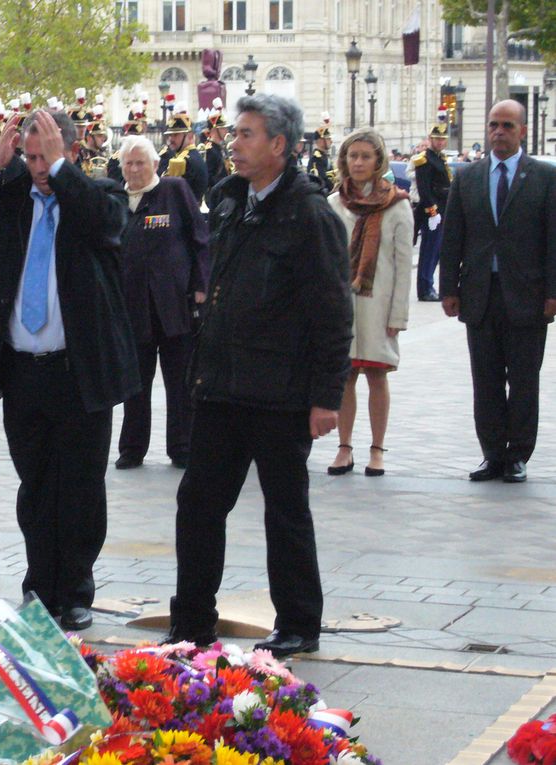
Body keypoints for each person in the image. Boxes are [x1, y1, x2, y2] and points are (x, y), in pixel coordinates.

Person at [166, 94, 352, 655]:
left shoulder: (309, 212)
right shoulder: (226, 199)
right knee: (198, 504)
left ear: (279, 145)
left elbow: (332, 311)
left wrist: (326, 398)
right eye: (234, 133)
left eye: (247, 134)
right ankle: (192, 620)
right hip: (222, 385)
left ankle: (298, 622)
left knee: (285, 509)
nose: (234, 143)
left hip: (280, 391)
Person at [0, 109, 139, 630]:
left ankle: (76, 587)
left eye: (45, 157)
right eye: (30, 158)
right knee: (35, 484)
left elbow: (106, 225)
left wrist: (59, 170)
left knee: (79, 485)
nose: (35, 168)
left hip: (78, 370)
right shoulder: (10, 199)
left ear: (70, 153)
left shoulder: (98, 195)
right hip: (22, 369)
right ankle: (38, 584)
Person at [439, 99, 556, 484]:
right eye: (493, 125)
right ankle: (492, 454)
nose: (498, 132)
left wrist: (552, 292)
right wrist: (449, 288)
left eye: (507, 125)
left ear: (522, 130)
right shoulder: (469, 177)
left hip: (527, 295)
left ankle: (518, 455)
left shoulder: (543, 177)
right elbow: (453, 235)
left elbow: (553, 240)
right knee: (485, 379)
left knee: (523, 380)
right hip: (480, 294)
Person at [114, 135, 208, 471]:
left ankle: (182, 445)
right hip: (133, 307)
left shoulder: (174, 190)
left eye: (141, 162)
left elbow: (199, 238)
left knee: (179, 381)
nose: (135, 169)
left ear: (155, 164)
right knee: (134, 384)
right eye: (129, 163)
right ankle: (132, 448)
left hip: (174, 305)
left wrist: (200, 286)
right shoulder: (115, 199)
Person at [326, 129, 414, 477]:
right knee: (345, 376)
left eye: (365, 156)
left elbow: (404, 265)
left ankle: (377, 449)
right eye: (353, 156)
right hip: (342, 305)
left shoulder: (397, 204)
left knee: (377, 375)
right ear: (344, 161)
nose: (359, 162)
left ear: (379, 161)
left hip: (379, 305)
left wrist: (399, 315)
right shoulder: (333, 204)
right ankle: (344, 447)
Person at [412, 118, 451, 301]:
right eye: (437, 139)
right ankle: (425, 288)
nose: (441, 142)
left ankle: (429, 285)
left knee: (435, 251)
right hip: (431, 212)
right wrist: (432, 212)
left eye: (443, 139)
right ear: (430, 139)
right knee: (428, 251)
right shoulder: (424, 160)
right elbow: (424, 189)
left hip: (442, 209)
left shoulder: (439, 158)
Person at [158, 107, 208, 203]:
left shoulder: (184, 161)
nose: (171, 139)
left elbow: (170, 194)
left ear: (189, 136)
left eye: (176, 135)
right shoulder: (193, 156)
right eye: (170, 135)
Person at [307, 124, 334, 194]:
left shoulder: (325, 157)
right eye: (328, 138)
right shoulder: (316, 159)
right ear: (320, 141)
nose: (331, 141)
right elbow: (320, 180)